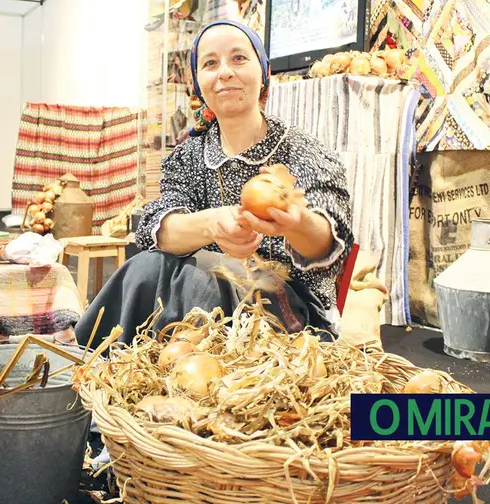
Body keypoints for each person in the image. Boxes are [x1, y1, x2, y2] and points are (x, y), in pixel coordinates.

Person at [74, 20, 353, 349]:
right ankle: (101, 364)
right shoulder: (188, 157)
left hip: (287, 315)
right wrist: (211, 225)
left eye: (238, 59)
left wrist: (298, 222)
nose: (224, 73)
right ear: (198, 83)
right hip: (198, 296)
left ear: (264, 72)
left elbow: (331, 244)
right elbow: (157, 229)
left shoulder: (303, 151)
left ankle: (179, 369)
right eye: (210, 63)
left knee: (205, 276)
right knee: (148, 266)